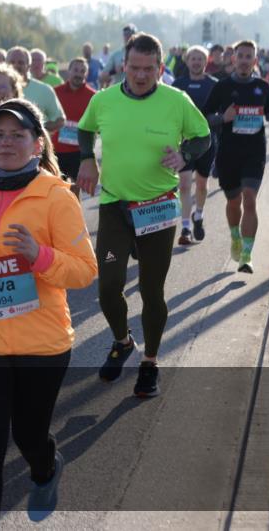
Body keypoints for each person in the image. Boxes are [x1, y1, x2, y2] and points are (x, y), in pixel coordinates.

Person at [0, 99, 97, 528]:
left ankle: (45, 467)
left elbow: (86, 270)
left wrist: (39, 255)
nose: (6, 143)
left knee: (29, 435)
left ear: (37, 142)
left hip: (40, 342)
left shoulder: (57, 197)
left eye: (18, 135)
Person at [76, 33, 211, 397]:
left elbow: (203, 137)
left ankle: (150, 362)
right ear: (124, 65)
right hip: (115, 208)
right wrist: (87, 158)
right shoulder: (103, 100)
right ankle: (122, 342)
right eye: (133, 68)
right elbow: (85, 129)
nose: (139, 75)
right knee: (107, 286)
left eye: (148, 69)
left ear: (160, 68)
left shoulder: (176, 100)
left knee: (152, 291)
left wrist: (185, 155)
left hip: (156, 209)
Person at [202, 40, 269, 274]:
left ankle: (246, 255)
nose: (245, 60)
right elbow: (204, 117)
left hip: (254, 152)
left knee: (250, 199)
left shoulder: (263, 87)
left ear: (255, 61)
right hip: (228, 153)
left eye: (250, 57)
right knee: (233, 202)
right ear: (233, 59)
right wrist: (222, 118)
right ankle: (235, 236)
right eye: (241, 56)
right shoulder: (222, 87)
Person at [171, 47, 218, 244]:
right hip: (184, 142)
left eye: (200, 59)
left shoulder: (214, 85)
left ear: (206, 61)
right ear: (187, 61)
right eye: (193, 59)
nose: (196, 62)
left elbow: (221, 113)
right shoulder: (178, 84)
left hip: (207, 141)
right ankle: (185, 227)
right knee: (183, 184)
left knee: (201, 184)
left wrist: (217, 119)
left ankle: (198, 215)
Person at [51, 58, 96, 199]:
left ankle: (74, 219)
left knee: (75, 192)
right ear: (68, 71)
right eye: (75, 70)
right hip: (57, 151)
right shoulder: (55, 92)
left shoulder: (93, 96)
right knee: (54, 191)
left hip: (80, 152)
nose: (78, 74)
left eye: (82, 71)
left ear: (86, 74)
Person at [7, 47, 66, 133]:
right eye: (12, 62)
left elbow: (60, 120)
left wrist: (37, 128)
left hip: (35, 145)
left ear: (28, 66)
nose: (16, 66)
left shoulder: (45, 90)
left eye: (21, 62)